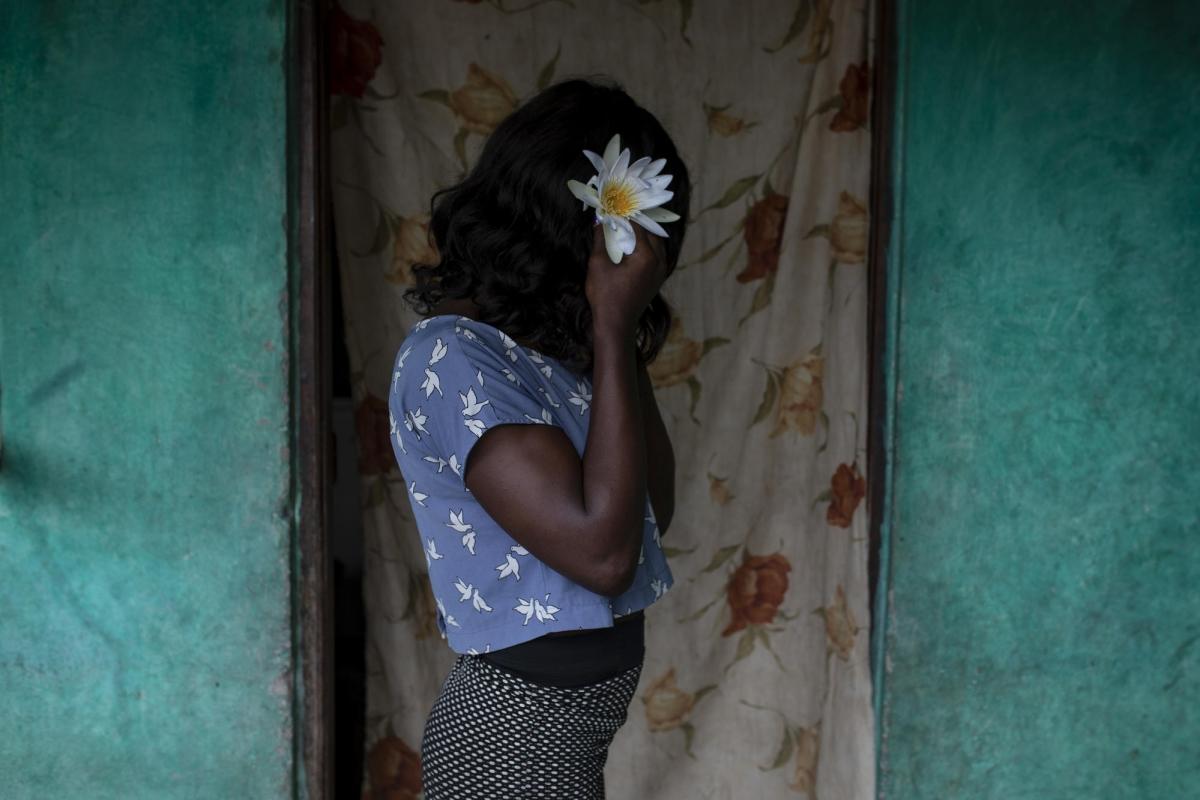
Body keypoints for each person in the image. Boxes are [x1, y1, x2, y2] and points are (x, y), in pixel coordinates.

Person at [387, 77, 691, 799]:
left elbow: (650, 510)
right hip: (513, 738)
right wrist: (613, 325)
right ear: (563, 224)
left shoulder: (552, 352)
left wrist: (608, 334)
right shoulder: (455, 358)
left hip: (560, 731)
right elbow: (606, 555)